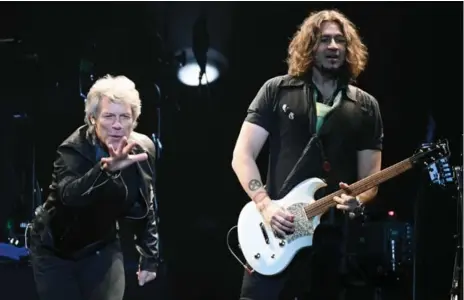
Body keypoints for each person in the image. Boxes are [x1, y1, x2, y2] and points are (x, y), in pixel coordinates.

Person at [231, 9, 383, 300]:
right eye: (324, 40)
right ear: (310, 46)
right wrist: (265, 206)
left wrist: (358, 201)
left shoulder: (366, 107)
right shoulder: (276, 90)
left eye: (340, 40)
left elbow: (370, 180)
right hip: (276, 232)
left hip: (330, 246)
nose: (334, 46)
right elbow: (242, 155)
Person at [28, 75, 161, 300]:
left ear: (134, 120)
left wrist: (150, 257)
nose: (117, 125)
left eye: (125, 117)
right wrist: (106, 170)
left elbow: (146, 203)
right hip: (55, 251)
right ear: (93, 119)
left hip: (102, 246)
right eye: (109, 116)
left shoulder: (143, 149)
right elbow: (70, 197)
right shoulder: (73, 149)